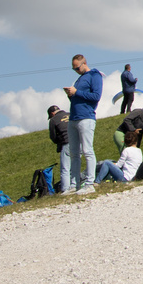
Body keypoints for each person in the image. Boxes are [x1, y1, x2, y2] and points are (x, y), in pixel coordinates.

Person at [61, 55, 103, 194]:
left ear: (84, 63)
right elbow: (80, 95)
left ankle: (89, 183)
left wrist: (77, 92)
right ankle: (74, 185)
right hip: (73, 118)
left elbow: (96, 96)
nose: (76, 71)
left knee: (87, 151)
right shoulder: (79, 79)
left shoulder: (95, 75)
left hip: (86, 117)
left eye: (77, 68)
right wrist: (71, 94)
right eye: (74, 69)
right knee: (74, 153)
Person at [47, 104, 69, 192]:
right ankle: (76, 185)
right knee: (75, 165)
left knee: (65, 168)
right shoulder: (70, 114)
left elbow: (53, 136)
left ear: (52, 113)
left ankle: (66, 189)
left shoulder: (53, 120)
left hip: (66, 143)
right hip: (79, 142)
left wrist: (58, 142)